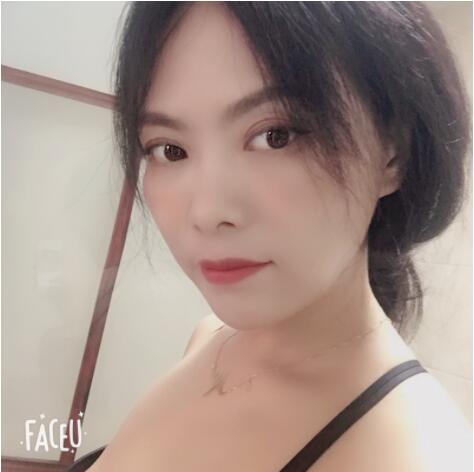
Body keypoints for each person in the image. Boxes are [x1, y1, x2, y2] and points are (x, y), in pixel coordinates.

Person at [85, 2, 472, 471]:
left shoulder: (414, 456)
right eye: (170, 149)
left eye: (276, 136)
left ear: (393, 152)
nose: (208, 213)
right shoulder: (210, 339)